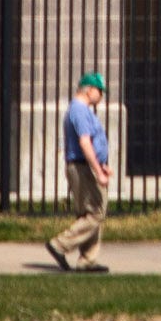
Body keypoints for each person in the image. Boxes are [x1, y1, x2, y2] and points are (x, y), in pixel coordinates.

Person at [46, 71, 113, 273]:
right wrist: (97, 170)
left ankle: (88, 260)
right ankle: (60, 244)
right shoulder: (79, 110)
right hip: (82, 167)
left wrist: (101, 164)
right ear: (89, 89)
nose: (101, 95)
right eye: (100, 91)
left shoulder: (80, 110)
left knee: (89, 212)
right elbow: (85, 143)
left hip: (86, 165)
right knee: (97, 212)